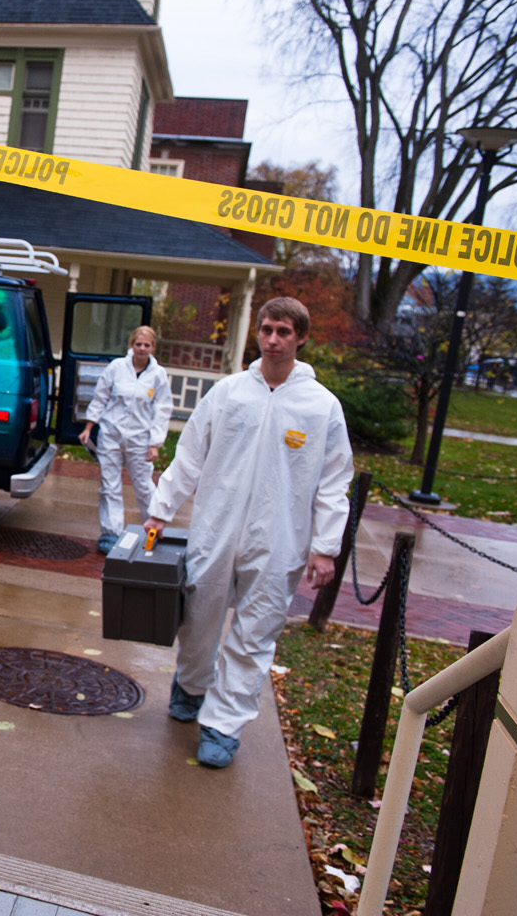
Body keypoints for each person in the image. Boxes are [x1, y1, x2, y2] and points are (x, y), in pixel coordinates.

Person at [142, 297, 352, 769]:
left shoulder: (320, 407)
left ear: (300, 338)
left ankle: (223, 725)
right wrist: (161, 511)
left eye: (283, 331)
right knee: (199, 618)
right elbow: (191, 454)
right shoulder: (230, 393)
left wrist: (324, 548)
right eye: (266, 329)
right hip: (216, 528)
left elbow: (335, 481)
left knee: (256, 634)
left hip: (280, 540)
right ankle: (192, 686)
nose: (273, 339)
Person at [79, 325, 173, 554]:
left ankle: (153, 527)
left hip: (140, 438)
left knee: (143, 485)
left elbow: (163, 409)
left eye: (147, 345)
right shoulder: (117, 367)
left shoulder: (158, 375)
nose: (142, 349)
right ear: (131, 345)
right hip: (111, 433)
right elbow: (100, 396)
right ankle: (111, 533)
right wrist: (89, 427)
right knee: (109, 485)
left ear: (153, 348)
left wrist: (155, 444)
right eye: (138, 344)